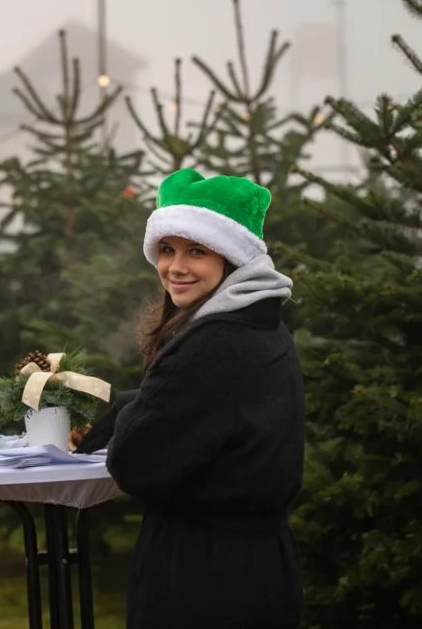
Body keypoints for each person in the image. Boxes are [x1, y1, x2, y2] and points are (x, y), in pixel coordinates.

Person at [75, 167, 305, 628]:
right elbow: (204, 410)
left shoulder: (212, 345)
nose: (175, 267)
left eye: (196, 251)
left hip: (203, 579)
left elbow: (136, 465)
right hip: (259, 567)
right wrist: (121, 412)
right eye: (167, 249)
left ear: (231, 257)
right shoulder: (263, 327)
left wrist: (124, 431)